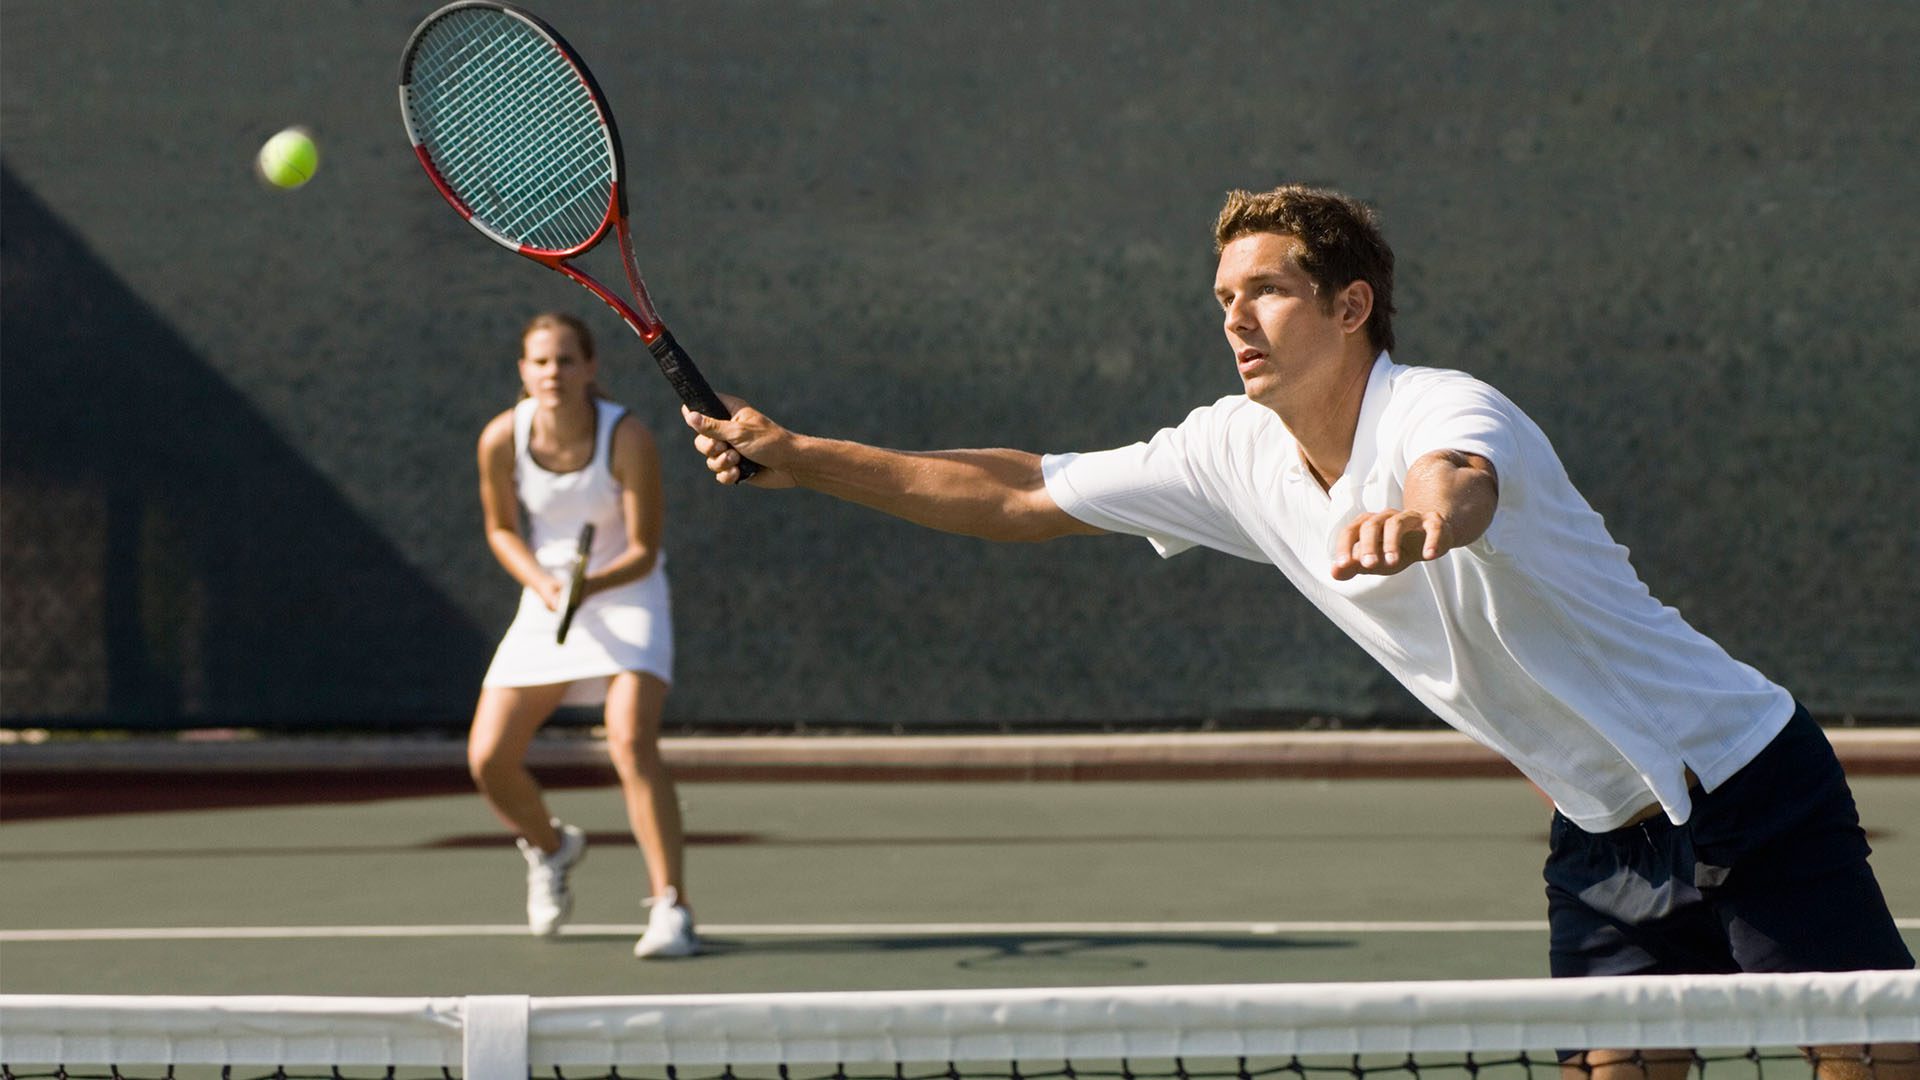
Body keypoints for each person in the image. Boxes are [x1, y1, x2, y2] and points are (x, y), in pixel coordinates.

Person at [683, 186, 1915, 1075]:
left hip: (1746, 777)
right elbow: (1021, 491)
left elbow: (1459, 480)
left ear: (1350, 305)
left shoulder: (1441, 403)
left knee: (1865, 1054)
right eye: (1224, 296)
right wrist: (810, 461)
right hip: (1599, 835)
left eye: (1265, 289)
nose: (1237, 317)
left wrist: (1422, 522)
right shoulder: (1227, 449)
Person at [470, 311, 698, 959]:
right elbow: (501, 530)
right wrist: (544, 585)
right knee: (488, 759)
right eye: (541, 362)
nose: (554, 374)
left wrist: (587, 587)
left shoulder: (628, 438)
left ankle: (671, 908)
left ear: (591, 367)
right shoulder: (499, 439)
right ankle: (552, 847)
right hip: (547, 595)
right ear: (523, 370)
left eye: (567, 360)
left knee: (628, 740)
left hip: (627, 593)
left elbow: (646, 549)